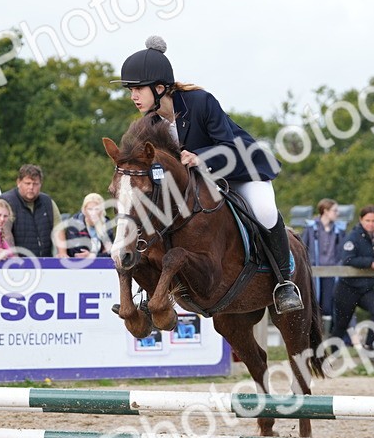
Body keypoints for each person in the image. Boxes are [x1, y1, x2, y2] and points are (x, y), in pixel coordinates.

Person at [115, 35, 303, 313]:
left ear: (159, 87)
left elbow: (228, 146)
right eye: (130, 90)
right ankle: (149, 292)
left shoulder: (200, 101)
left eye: (138, 89)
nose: (133, 96)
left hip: (240, 169)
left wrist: (199, 156)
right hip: (201, 183)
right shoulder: (148, 125)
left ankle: (284, 283)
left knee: (264, 211)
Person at [331, 205, 374, 354]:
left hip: (366, 288)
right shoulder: (353, 237)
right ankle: (334, 354)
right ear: (361, 220)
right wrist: (370, 263)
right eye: (367, 220)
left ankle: (369, 345)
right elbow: (348, 260)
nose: (371, 224)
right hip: (347, 288)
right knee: (341, 324)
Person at [0, 164, 61, 258]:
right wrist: (13, 258)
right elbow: (5, 234)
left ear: (41, 184)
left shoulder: (48, 202)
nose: (31, 187)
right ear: (19, 182)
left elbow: (59, 229)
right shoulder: (5, 202)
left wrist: (62, 252)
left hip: (46, 262)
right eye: (27, 183)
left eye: (35, 184)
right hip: (15, 262)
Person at [302, 198, 346, 320]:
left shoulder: (339, 230)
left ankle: (327, 334)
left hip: (332, 273)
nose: (337, 213)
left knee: (328, 307)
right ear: (325, 211)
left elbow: (342, 251)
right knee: (313, 305)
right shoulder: (311, 228)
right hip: (314, 273)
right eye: (334, 210)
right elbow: (303, 247)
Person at [61, 193, 112, 259]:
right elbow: (77, 252)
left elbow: (111, 253)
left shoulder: (106, 224)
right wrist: (102, 253)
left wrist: (93, 255)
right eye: (90, 209)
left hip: (101, 266)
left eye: (97, 209)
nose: (93, 213)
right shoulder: (74, 224)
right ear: (84, 210)